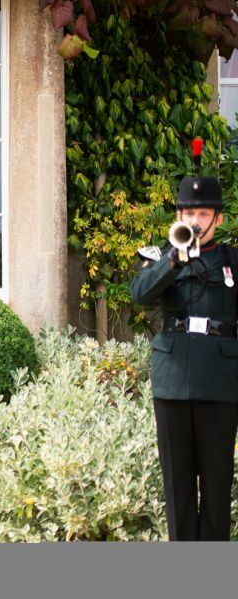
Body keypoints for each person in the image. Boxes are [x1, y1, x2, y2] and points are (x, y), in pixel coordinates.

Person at [130, 170, 238, 541]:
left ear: (217, 220)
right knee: (177, 488)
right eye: (188, 214)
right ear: (178, 217)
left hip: (220, 385)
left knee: (217, 488)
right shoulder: (159, 256)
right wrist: (173, 261)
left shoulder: (232, 261)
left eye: (203, 214)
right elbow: (141, 293)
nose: (195, 221)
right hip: (173, 384)